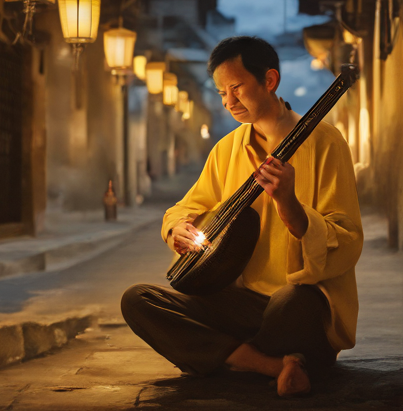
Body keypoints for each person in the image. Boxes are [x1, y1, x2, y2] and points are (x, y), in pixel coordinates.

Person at [121, 36, 363, 397]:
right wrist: (178, 229)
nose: (228, 102)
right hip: (240, 304)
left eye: (236, 89)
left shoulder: (326, 143)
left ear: (269, 81)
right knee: (138, 300)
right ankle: (274, 364)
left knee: (291, 301)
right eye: (221, 93)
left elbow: (347, 241)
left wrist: (290, 205)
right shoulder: (226, 150)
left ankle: (228, 354)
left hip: (297, 310)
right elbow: (185, 208)